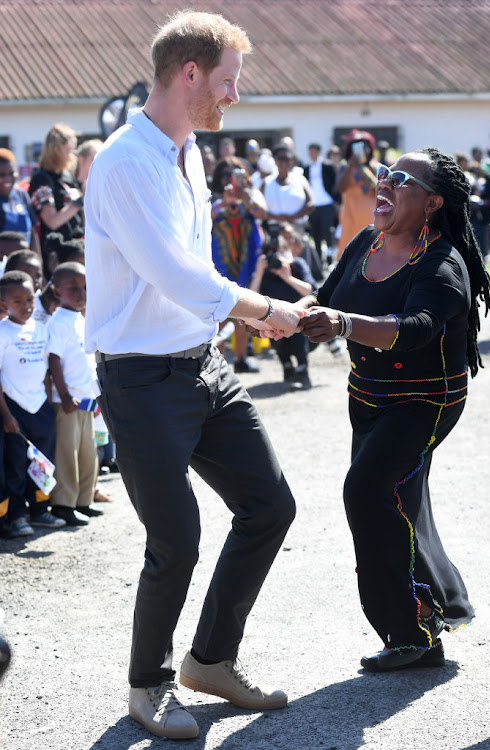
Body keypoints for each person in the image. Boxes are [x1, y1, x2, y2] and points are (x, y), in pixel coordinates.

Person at [84, 10, 301, 741]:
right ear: (189, 75)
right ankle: (148, 685)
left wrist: (240, 312)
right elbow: (175, 274)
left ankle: (209, 661)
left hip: (203, 366)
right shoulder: (123, 161)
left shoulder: (190, 153)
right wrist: (264, 309)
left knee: (270, 507)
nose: (235, 97)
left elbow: (197, 272)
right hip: (141, 379)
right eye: (229, 82)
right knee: (175, 539)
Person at [299, 148, 490, 672]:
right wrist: (273, 311)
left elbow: (417, 329)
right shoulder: (367, 241)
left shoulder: (443, 261)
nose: (383, 182)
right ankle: (438, 606)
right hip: (366, 395)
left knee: (366, 490)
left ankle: (413, 631)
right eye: (384, 173)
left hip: (425, 400)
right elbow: (323, 299)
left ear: (431, 202)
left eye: (400, 179)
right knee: (400, 500)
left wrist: (342, 324)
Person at [0, 271, 64, 535]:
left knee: (43, 463)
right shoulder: (2, 332)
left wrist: (47, 405)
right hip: (14, 408)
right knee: (16, 465)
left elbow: (48, 370)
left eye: (29, 299)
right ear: (3, 305)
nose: (26, 305)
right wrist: (6, 416)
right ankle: (17, 516)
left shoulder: (41, 328)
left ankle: (40, 510)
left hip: (39, 407)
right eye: (18, 301)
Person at [47, 262, 101, 527]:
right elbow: (54, 361)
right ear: (57, 291)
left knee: (87, 452)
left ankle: (83, 500)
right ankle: (62, 504)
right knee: (66, 454)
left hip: (86, 399)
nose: (81, 293)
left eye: (85, 287)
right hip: (66, 402)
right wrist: (65, 396)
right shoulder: (57, 322)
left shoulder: (81, 318)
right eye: (73, 288)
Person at [211, 156, 266, 373]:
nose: (230, 179)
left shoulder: (250, 195)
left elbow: (262, 212)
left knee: (245, 308)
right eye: (225, 174)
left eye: (235, 173)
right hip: (220, 260)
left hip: (245, 259)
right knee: (220, 311)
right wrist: (224, 202)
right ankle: (220, 363)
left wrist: (246, 197)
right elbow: (206, 216)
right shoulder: (212, 198)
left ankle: (241, 358)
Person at [251, 230, 315, 389]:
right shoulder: (264, 274)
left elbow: (311, 290)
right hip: (275, 325)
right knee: (270, 325)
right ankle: (287, 366)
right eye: (272, 253)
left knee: (296, 324)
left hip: (303, 325)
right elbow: (250, 298)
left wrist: (288, 277)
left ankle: (302, 371)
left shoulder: (297, 265)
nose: (277, 257)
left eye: (281, 251)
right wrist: (258, 274)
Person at [29, 123, 84, 276]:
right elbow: (52, 221)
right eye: (68, 151)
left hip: (77, 248)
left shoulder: (67, 176)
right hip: (56, 254)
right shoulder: (41, 179)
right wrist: (77, 203)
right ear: (56, 150)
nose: (72, 155)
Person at [335, 129, 378, 258]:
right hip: (351, 217)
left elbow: (379, 189)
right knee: (350, 253)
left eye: (365, 146)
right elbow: (340, 187)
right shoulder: (344, 167)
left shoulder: (376, 167)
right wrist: (351, 166)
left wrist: (364, 168)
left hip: (374, 218)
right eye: (357, 146)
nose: (362, 150)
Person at [262, 144, 314, 231]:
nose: (284, 162)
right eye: (280, 158)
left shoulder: (300, 179)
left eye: (287, 159)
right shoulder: (266, 182)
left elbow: (311, 204)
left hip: (297, 229)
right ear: (275, 160)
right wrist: (277, 218)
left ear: (292, 161)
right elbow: (258, 206)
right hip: (273, 229)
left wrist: (293, 217)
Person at [303, 143, 338, 265]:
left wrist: (336, 200)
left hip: (326, 203)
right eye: (310, 151)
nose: (312, 154)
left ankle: (329, 257)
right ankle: (318, 259)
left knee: (327, 232)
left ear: (318, 152)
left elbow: (335, 183)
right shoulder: (306, 168)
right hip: (313, 205)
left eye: (314, 151)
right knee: (316, 233)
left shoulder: (327, 166)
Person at [0, 149, 40, 256]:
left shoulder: (21, 195)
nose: (7, 179)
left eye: (11, 173)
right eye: (2, 175)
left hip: (24, 264)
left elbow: (33, 233)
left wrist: (37, 263)